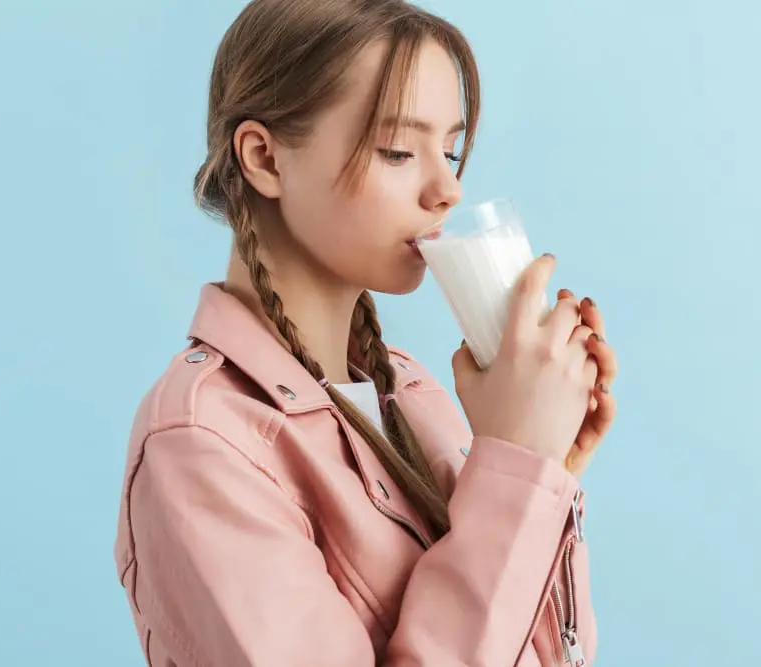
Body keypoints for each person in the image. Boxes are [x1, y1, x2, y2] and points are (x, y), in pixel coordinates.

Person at [113, 0, 618, 665]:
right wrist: (516, 462)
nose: (448, 190)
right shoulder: (201, 442)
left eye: (452, 150)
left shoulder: (408, 390)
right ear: (265, 158)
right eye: (399, 150)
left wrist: (547, 464)